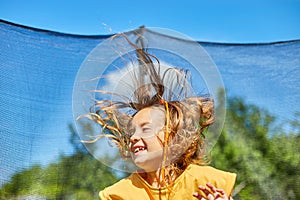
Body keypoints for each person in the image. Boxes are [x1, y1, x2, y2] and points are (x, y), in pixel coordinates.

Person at [79, 30, 236, 199]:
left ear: (172, 136)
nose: (132, 138)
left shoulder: (205, 182)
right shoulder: (120, 194)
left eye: (145, 129)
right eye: (132, 132)